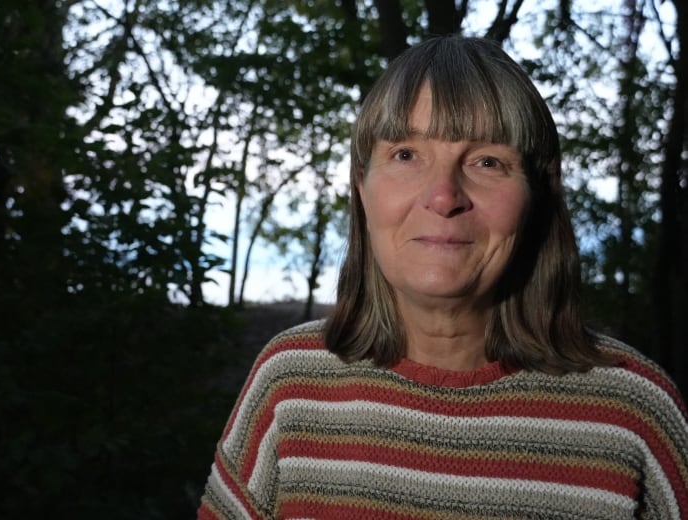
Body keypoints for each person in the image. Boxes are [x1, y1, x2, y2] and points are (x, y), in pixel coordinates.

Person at [198, 35, 688, 519]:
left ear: (538, 198)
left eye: (488, 161)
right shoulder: (290, 384)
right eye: (406, 154)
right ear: (361, 189)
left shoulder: (637, 415)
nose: (443, 195)